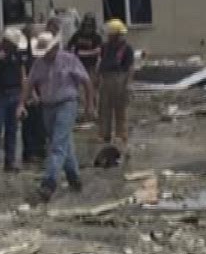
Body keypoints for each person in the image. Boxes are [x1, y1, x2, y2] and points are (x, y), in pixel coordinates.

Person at [24, 30, 88, 202]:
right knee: (64, 142)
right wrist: (20, 105)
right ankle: (74, 178)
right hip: (48, 107)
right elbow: (29, 83)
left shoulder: (69, 60)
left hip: (67, 103)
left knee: (57, 144)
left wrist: (90, 105)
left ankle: (49, 183)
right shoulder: (39, 64)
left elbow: (86, 81)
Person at [0, 28, 28, 172]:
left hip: (14, 92)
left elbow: (23, 76)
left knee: (12, 129)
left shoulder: (17, 54)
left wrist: (23, 99)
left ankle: (10, 161)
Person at [96, 17, 137, 150]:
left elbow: (130, 67)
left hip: (120, 79)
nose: (108, 36)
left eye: (110, 34)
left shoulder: (126, 48)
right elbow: (100, 61)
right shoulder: (105, 47)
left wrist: (128, 84)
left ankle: (121, 135)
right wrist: (97, 77)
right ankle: (104, 134)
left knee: (120, 110)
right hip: (106, 78)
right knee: (104, 109)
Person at [18, 23, 48, 167]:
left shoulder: (38, 49)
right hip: (30, 90)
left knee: (41, 122)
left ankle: (40, 150)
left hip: (41, 89)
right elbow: (26, 73)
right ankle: (30, 152)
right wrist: (32, 93)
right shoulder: (24, 50)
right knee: (30, 122)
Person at [67, 15, 103, 117]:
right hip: (77, 65)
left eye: (90, 26)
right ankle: (80, 111)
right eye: (86, 25)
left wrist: (82, 53)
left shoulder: (96, 37)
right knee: (77, 89)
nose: (88, 28)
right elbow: (70, 48)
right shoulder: (77, 35)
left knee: (91, 88)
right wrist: (80, 53)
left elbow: (98, 51)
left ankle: (93, 110)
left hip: (91, 66)